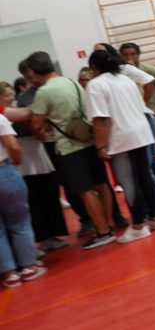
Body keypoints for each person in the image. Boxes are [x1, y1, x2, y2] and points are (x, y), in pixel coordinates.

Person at [28, 51, 118, 250]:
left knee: (85, 191)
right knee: (101, 184)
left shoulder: (44, 92)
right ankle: (108, 224)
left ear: (34, 72)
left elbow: (35, 124)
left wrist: (43, 129)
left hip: (69, 147)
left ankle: (103, 231)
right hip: (87, 138)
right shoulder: (71, 82)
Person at [85, 49, 155, 243]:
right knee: (145, 175)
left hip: (121, 136)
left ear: (94, 67)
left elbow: (100, 119)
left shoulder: (96, 84)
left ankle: (138, 226)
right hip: (141, 131)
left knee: (128, 181)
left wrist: (100, 146)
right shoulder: (125, 78)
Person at [1, 81, 68, 251]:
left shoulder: (14, 107)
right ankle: (39, 240)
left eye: (11, 94)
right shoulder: (5, 113)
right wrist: (41, 110)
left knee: (48, 193)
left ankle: (52, 234)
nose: (10, 98)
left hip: (35, 153)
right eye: (6, 95)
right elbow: (26, 116)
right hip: (19, 159)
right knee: (30, 202)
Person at [118, 42, 155, 186]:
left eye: (132, 54)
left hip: (151, 114)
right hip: (134, 118)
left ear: (138, 55)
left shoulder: (147, 70)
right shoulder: (121, 72)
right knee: (147, 153)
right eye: (125, 55)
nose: (129, 57)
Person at [1, 113, 47, 288]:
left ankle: (10, 273)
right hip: (3, 172)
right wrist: (16, 162)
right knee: (19, 222)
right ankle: (28, 266)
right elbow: (13, 146)